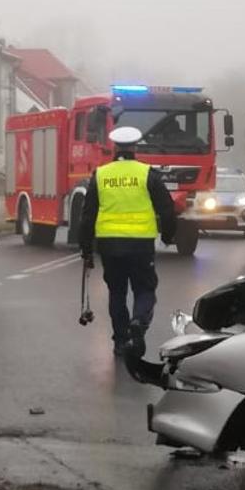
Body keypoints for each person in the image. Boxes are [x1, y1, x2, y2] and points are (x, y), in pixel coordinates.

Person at [75, 127, 178, 357]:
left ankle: (121, 341)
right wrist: (168, 236)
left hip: (109, 245)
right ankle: (138, 323)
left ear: (114, 147)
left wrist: (86, 249)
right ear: (134, 147)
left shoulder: (100, 175)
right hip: (141, 245)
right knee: (145, 289)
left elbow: (87, 215)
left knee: (117, 292)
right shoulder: (147, 174)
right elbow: (167, 210)